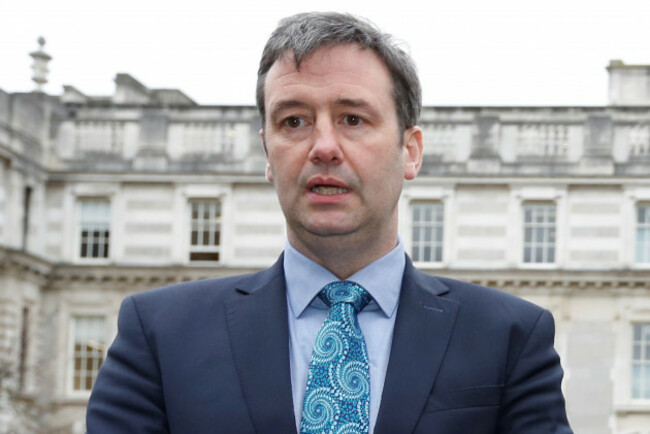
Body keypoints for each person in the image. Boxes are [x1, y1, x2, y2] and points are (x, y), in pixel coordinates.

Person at [86, 12, 572, 433]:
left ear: (410, 150)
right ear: (268, 155)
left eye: (352, 119)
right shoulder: (159, 335)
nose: (322, 146)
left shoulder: (510, 337)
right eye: (293, 121)